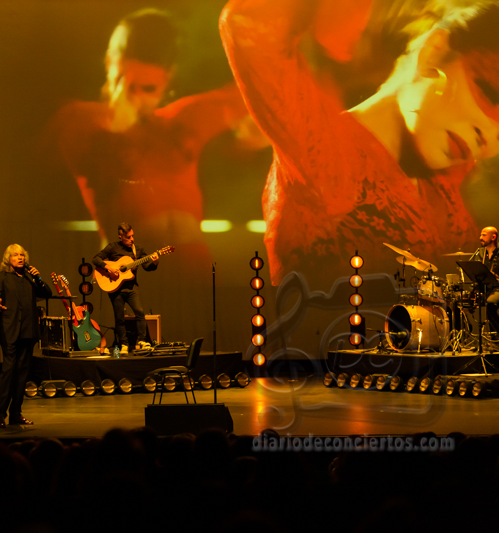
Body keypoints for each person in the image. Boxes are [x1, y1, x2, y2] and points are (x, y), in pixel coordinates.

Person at [219, 0, 499, 285]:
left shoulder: (450, 182)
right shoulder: (323, 146)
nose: (487, 137)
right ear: (435, 51)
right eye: (488, 92)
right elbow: (246, 22)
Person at [46, 8, 268, 260]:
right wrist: (116, 127)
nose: (136, 97)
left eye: (148, 88)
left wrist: (265, 126)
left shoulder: (179, 120)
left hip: (196, 275)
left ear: (167, 80)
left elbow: (258, 92)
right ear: (109, 64)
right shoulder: (81, 121)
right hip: (131, 276)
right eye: (126, 83)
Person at [0, 244, 52, 428]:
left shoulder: (30, 278)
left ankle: (16, 413)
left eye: (22, 255)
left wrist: (38, 278)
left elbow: (47, 293)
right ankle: (0, 414)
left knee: (23, 375)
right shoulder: (1, 278)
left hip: (28, 331)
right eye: (16, 255)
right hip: (10, 331)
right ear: (8, 258)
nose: (20, 257)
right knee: (9, 373)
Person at [93, 223, 159, 353]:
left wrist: (155, 262)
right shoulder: (113, 247)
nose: (132, 239)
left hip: (132, 288)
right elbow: (96, 259)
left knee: (139, 312)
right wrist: (109, 267)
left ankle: (142, 341)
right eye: (128, 237)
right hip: (115, 289)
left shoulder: (138, 250)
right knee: (119, 317)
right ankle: (124, 344)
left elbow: (147, 267)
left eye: (132, 236)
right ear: (120, 237)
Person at [473, 226, 499, 332]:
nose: (480, 237)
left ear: (493, 237)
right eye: (480, 235)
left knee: (491, 302)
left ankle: (495, 337)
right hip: (485, 289)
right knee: (459, 300)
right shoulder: (479, 254)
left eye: (484, 235)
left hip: (497, 288)